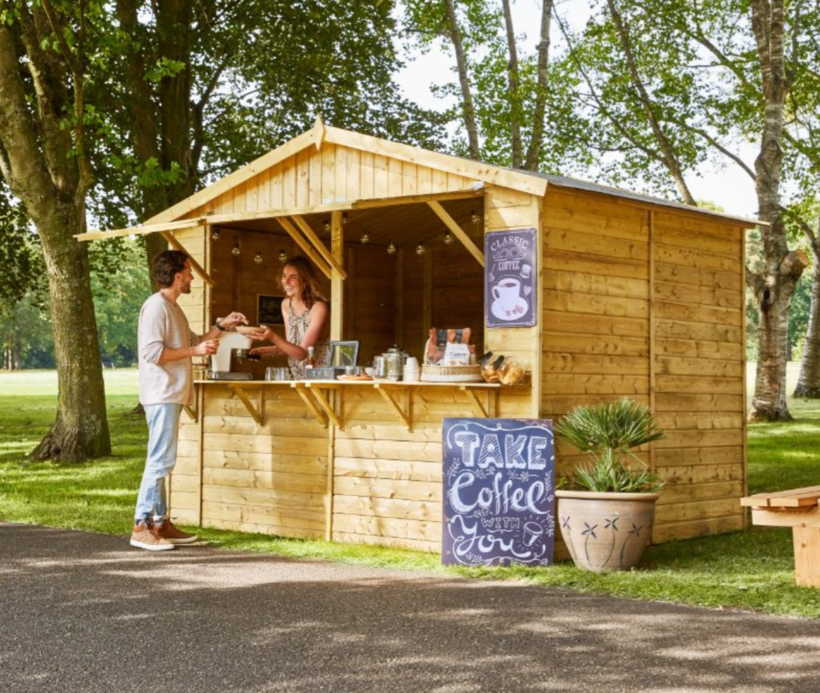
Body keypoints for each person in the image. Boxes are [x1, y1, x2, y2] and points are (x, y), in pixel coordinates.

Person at [131, 250, 246, 551]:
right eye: (189, 272)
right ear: (177, 274)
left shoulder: (173, 309)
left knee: (162, 460)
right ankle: (141, 525)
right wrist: (194, 353)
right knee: (160, 461)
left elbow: (193, 342)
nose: (192, 276)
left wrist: (222, 326)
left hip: (171, 394)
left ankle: (161, 523)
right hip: (161, 394)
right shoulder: (155, 308)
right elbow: (153, 353)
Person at [250, 255, 330, 378]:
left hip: (320, 376)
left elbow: (302, 353)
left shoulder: (319, 308)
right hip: (297, 376)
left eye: (292, 277)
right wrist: (269, 351)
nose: (285, 282)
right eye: (284, 276)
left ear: (305, 280)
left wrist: (272, 336)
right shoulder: (286, 304)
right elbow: (292, 346)